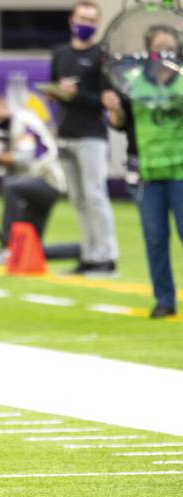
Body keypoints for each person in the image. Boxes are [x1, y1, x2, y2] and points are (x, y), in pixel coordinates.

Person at [101, 25, 183, 318]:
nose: (165, 53)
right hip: (146, 173)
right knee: (155, 238)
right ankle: (164, 299)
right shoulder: (132, 83)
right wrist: (114, 109)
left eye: (170, 47)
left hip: (181, 172)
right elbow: (120, 123)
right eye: (159, 47)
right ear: (149, 50)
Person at [44, 0, 119, 276]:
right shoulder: (61, 53)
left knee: (95, 195)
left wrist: (77, 96)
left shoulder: (101, 55)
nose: (85, 24)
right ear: (71, 20)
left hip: (91, 135)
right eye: (82, 19)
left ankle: (107, 257)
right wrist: (56, 93)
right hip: (66, 134)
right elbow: (55, 88)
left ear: (97, 24)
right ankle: (89, 255)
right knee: (77, 198)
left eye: (91, 20)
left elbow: (105, 101)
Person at [0, 91, 74, 264]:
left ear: (3, 104)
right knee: (30, 249)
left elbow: (24, 158)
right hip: (38, 180)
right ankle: (81, 251)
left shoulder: (22, 120)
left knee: (11, 186)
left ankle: (7, 247)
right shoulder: (7, 125)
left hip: (48, 181)